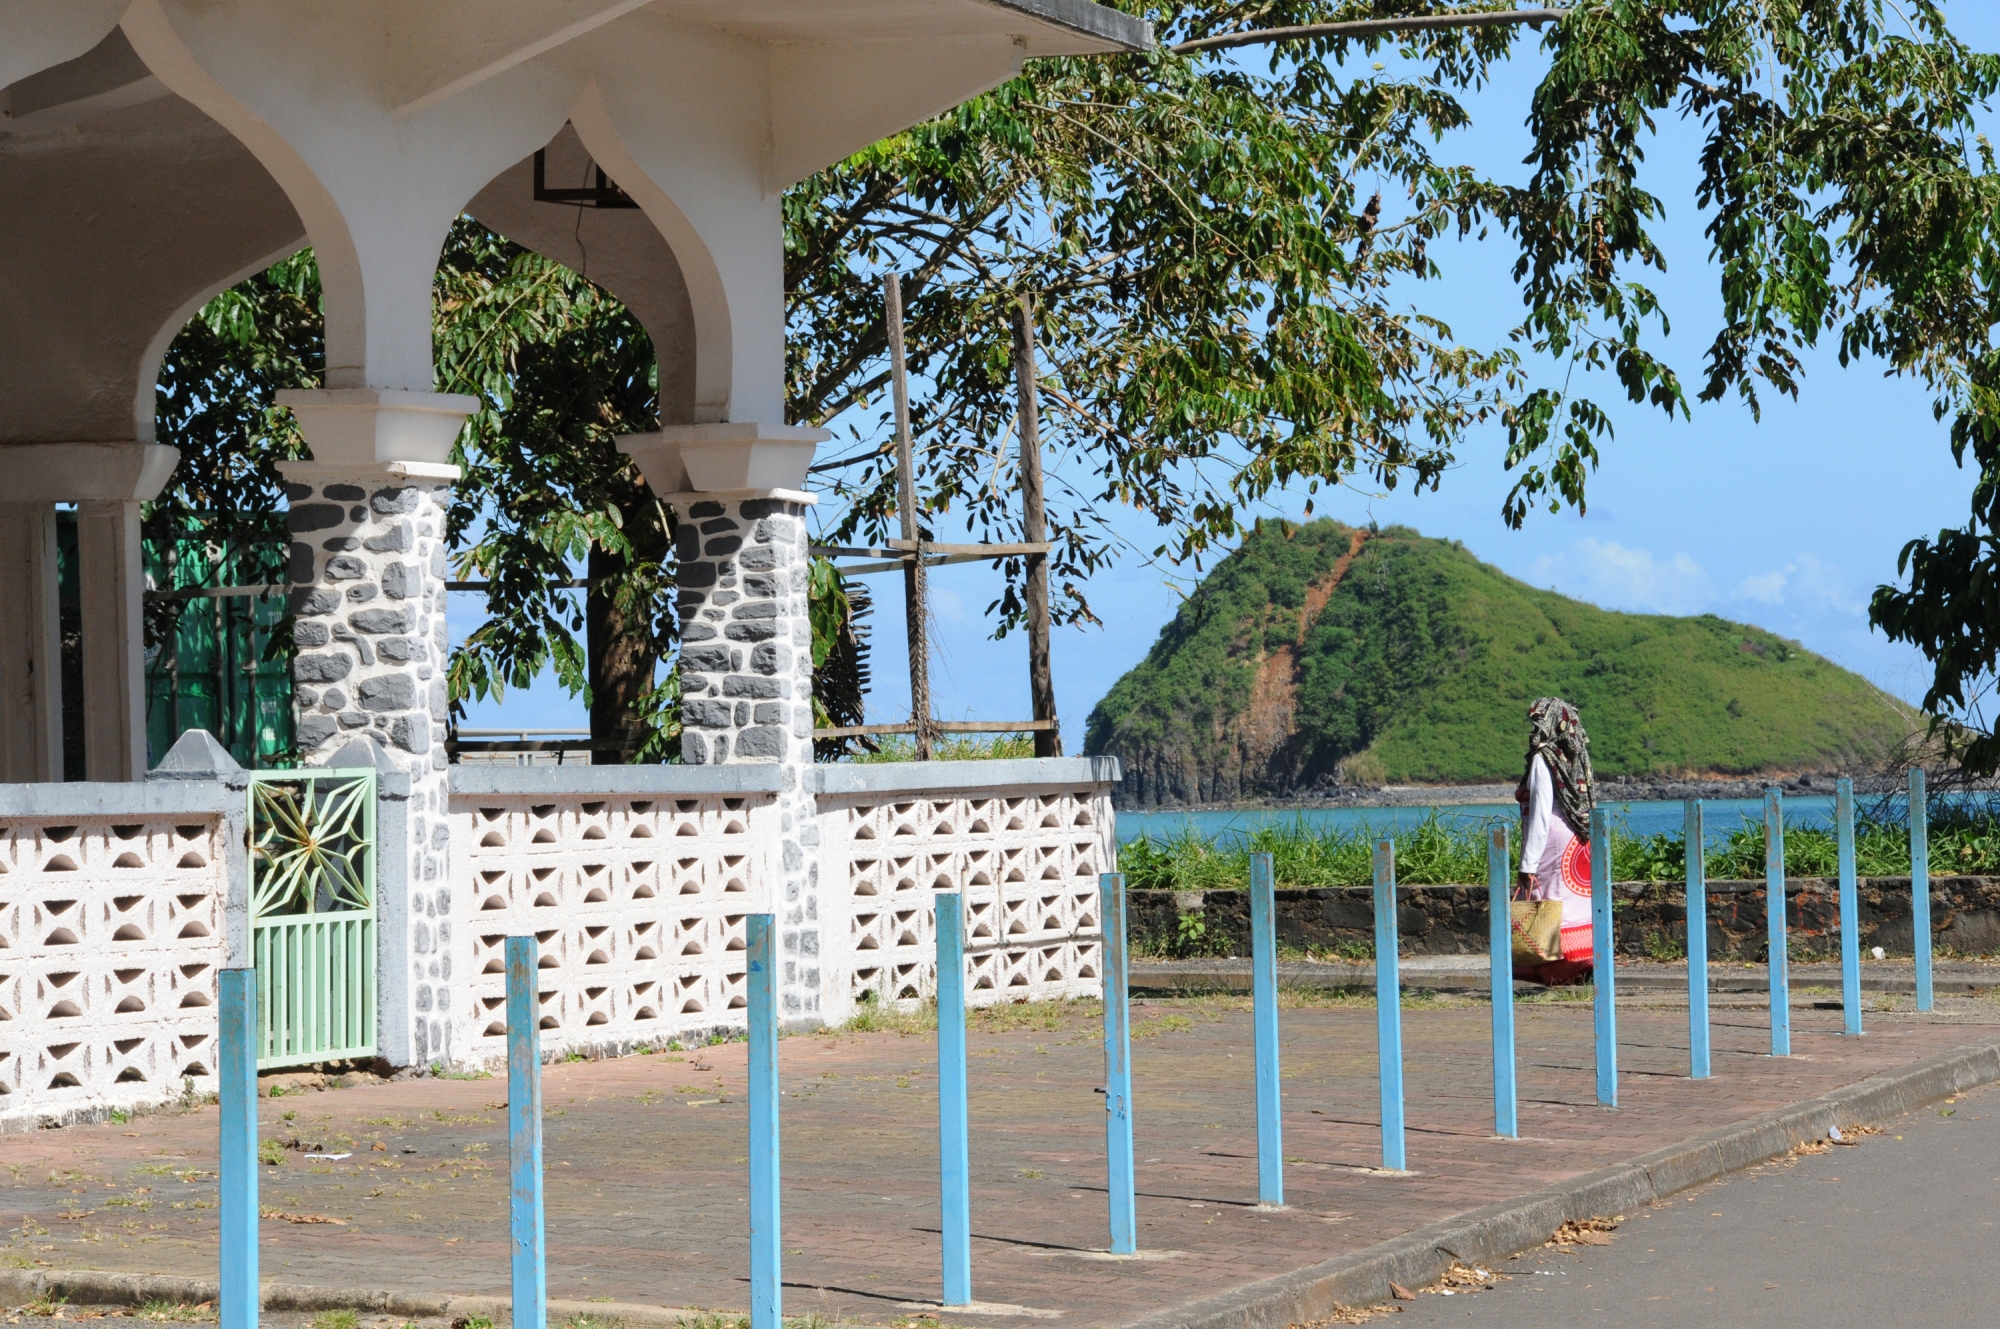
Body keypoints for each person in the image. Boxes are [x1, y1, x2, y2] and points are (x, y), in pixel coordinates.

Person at [1513, 696, 1596, 985]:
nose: (1534, 728)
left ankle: (1557, 972)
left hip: (1551, 840)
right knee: (1571, 903)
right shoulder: (1572, 755)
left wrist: (1528, 863)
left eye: (1538, 721)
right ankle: (1577, 970)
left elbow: (1540, 812)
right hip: (1574, 835)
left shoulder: (1542, 758)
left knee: (1546, 900)